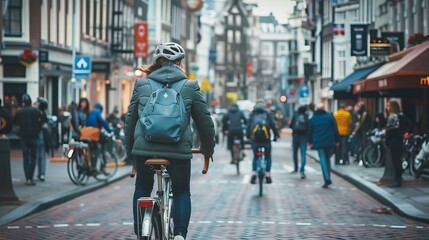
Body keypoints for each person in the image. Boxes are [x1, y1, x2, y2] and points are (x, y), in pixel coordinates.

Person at [124, 42, 215, 240]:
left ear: (156, 62)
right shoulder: (190, 86)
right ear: (180, 62)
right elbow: (205, 123)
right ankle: (180, 235)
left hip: (144, 151)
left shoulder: (142, 85)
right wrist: (207, 149)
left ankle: (141, 232)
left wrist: (129, 151)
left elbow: (130, 120)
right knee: (182, 191)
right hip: (177, 152)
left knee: (141, 188)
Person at [247, 100, 280, 184]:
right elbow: (273, 124)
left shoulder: (252, 114)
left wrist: (248, 137)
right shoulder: (268, 113)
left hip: (255, 139)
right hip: (266, 139)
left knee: (255, 157)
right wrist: (276, 135)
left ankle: (254, 173)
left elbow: (248, 126)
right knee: (268, 156)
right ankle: (268, 174)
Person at [14, 94, 44, 186]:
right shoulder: (36, 111)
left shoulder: (19, 112)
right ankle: (31, 177)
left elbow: (15, 122)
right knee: (33, 158)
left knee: (26, 158)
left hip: (24, 138)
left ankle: (27, 178)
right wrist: (38, 129)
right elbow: (43, 120)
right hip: (34, 137)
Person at [308, 103, 339, 188]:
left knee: (322, 159)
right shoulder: (329, 117)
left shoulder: (313, 119)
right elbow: (335, 129)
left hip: (319, 142)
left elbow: (310, 131)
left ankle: (326, 178)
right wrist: (337, 140)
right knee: (328, 159)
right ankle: (327, 177)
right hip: (329, 141)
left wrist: (310, 142)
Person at [385, 100, 410, 187]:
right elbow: (409, 125)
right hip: (399, 140)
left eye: (388, 106)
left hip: (393, 141)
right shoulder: (402, 115)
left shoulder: (393, 117)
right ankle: (397, 179)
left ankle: (397, 180)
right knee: (397, 160)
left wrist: (386, 140)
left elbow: (390, 131)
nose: (387, 107)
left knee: (396, 161)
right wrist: (406, 133)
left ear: (392, 107)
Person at [86, 103, 112, 175]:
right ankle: (97, 167)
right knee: (99, 148)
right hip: (94, 133)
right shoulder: (97, 112)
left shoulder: (91, 112)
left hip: (87, 133)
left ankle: (91, 166)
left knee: (92, 149)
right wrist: (109, 130)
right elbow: (102, 122)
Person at [290, 106, 309, 179]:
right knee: (303, 153)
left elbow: (291, 126)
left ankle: (295, 168)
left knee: (295, 152)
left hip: (296, 136)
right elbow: (308, 127)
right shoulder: (306, 116)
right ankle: (302, 170)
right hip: (304, 137)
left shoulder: (295, 116)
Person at [35, 97, 49, 181]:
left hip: (38, 135)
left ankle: (40, 173)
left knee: (39, 156)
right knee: (41, 156)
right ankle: (41, 174)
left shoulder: (38, 113)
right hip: (42, 136)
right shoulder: (44, 113)